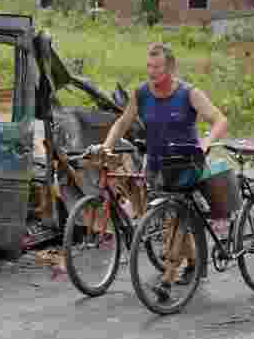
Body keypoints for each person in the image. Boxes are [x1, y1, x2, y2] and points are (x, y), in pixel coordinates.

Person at [91, 41, 228, 302]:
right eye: (149, 66)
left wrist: (207, 142)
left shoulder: (189, 93)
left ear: (171, 69)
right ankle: (194, 262)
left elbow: (220, 119)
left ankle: (169, 275)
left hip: (186, 165)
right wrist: (106, 146)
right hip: (156, 166)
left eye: (157, 67)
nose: (151, 72)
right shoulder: (141, 94)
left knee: (173, 219)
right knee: (171, 218)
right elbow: (122, 124)